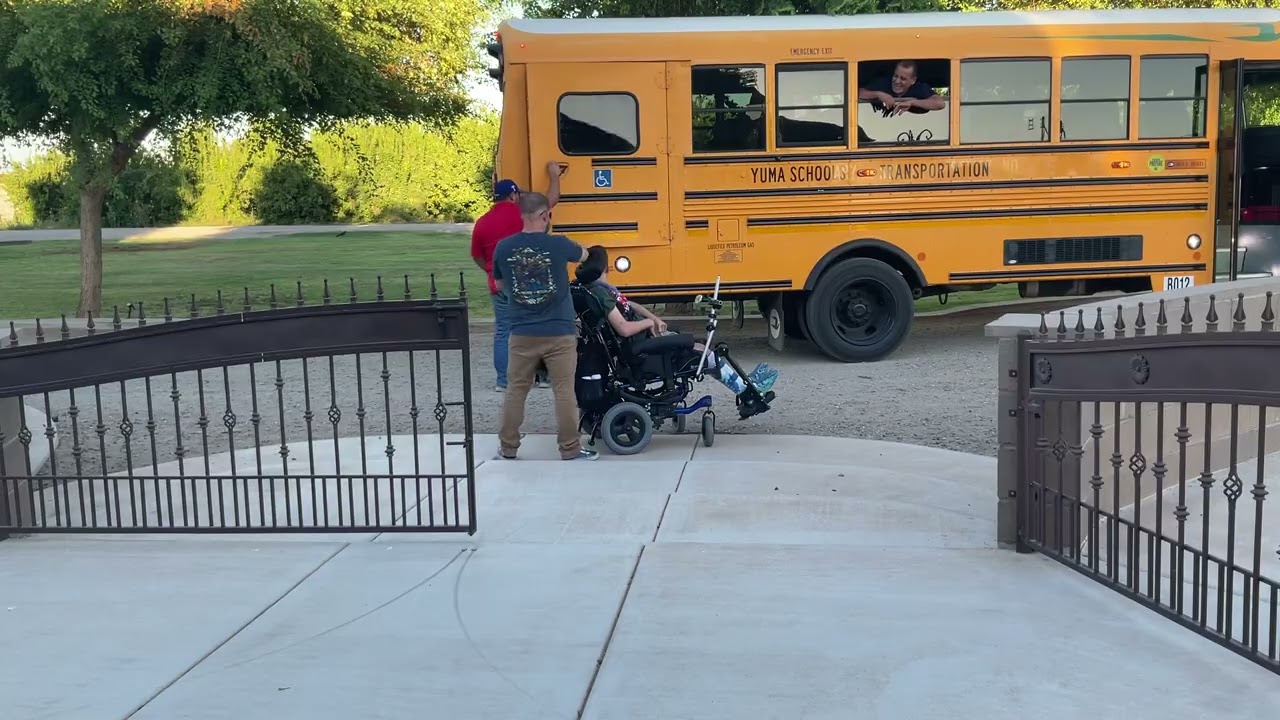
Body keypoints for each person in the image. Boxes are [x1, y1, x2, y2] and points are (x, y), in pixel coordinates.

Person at [575, 245, 778, 395]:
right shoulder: (600, 294)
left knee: (697, 345)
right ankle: (744, 390)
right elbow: (624, 329)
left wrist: (653, 317)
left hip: (639, 341)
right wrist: (649, 323)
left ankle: (743, 384)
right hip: (637, 347)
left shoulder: (598, 290)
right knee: (700, 349)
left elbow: (629, 305)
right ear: (605, 268)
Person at [491, 191, 597, 461]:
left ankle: (508, 447)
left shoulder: (503, 247)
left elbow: (500, 285)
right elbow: (585, 255)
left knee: (516, 390)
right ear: (543, 215)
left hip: (522, 332)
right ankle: (570, 448)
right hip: (559, 332)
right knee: (564, 391)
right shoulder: (559, 245)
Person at [470, 162, 563, 392]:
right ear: (513, 196)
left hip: (499, 285)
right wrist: (554, 176)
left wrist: (491, 271)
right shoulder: (524, 214)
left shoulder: (482, 223)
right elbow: (552, 199)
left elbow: (477, 255)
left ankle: (504, 381)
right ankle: (542, 376)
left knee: (503, 331)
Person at [858, 60, 946, 116]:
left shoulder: (919, 88)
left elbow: (940, 103)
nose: (897, 81)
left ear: (913, 80)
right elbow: (857, 92)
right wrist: (879, 94)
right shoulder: (883, 83)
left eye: (903, 78)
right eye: (895, 76)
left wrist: (912, 103)